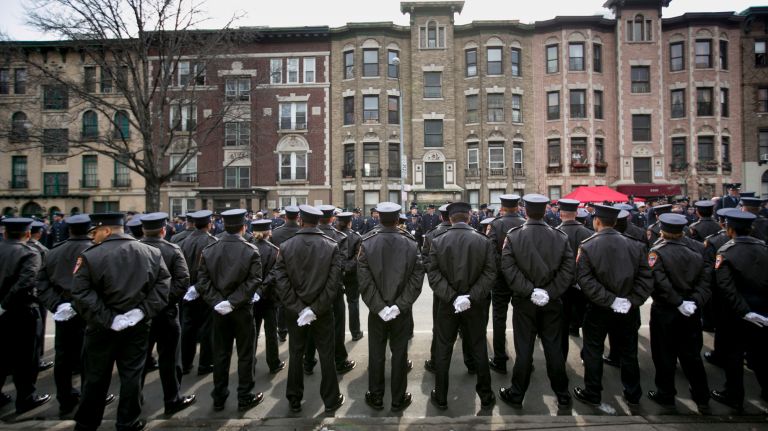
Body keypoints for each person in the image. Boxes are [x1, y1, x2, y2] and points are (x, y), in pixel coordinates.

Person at [71, 212, 170, 431]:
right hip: (135, 326)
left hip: (101, 327)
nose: (92, 237)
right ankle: (127, 422)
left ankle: (87, 423)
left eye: (95, 232)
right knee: (132, 375)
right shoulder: (151, 252)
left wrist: (109, 317)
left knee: (95, 377)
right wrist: (141, 312)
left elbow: (80, 293)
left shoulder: (90, 255)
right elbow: (163, 286)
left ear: (107, 230)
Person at [573, 205, 653, 407]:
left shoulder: (588, 246)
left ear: (597, 221)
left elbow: (584, 279)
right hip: (626, 308)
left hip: (599, 308)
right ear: (615, 222)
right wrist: (629, 300)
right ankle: (633, 393)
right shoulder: (635, 245)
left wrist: (611, 300)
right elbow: (646, 279)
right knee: (629, 352)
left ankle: (593, 392)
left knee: (593, 350)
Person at [498, 194, 574, 408]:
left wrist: (531, 291)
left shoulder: (514, 236)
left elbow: (508, 269)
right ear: (545, 211)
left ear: (525, 211)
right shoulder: (559, 236)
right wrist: (548, 292)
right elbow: (568, 270)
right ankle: (563, 394)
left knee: (524, 349)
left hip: (525, 302)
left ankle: (517, 394)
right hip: (550, 302)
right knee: (554, 348)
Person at [38, 215, 116, 416]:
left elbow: (42, 284)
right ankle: (91, 397)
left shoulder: (53, 252)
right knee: (91, 358)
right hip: (90, 310)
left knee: (63, 358)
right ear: (90, 230)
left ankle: (65, 399)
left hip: (64, 310)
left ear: (69, 230)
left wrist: (57, 305)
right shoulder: (97, 251)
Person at [273, 205, 345, 413]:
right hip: (321, 311)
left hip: (297, 311)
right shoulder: (330, 245)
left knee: (296, 353)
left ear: (301, 221)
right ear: (318, 222)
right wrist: (314, 309)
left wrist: (300, 308)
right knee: (326, 354)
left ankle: (294, 399)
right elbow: (333, 283)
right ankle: (330, 400)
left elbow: (281, 280)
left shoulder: (286, 246)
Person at [427, 202, 497, 411]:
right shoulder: (483, 240)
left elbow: (433, 274)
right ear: (469, 218)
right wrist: (469, 297)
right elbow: (490, 273)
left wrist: (453, 297)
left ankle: (441, 396)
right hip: (473, 304)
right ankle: (486, 396)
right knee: (478, 347)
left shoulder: (438, 240)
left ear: (450, 219)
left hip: (448, 305)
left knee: (443, 348)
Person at [357, 202, 424, 412]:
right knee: (399, 353)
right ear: (397, 220)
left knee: (377, 353)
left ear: (378, 218)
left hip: (378, 310)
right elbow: (416, 280)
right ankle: (398, 398)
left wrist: (380, 307)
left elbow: (364, 281)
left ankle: (376, 396)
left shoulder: (367, 243)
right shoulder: (410, 243)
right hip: (400, 310)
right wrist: (398, 306)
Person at [197, 209, 264, 412]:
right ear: (243, 227)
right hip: (241, 309)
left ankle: (219, 396)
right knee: (245, 354)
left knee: (221, 354)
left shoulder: (210, 249)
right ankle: (244, 396)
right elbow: (255, 280)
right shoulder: (250, 250)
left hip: (220, 310)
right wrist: (232, 302)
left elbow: (202, 281)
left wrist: (219, 302)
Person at [647, 213, 711, 409]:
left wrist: (678, 302)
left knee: (664, 354)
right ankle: (702, 396)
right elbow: (706, 280)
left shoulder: (657, 252)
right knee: (691, 355)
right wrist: (694, 301)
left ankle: (665, 394)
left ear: (662, 231)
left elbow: (660, 282)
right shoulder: (698, 249)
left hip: (665, 310)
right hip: (690, 310)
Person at [138, 213, 197, 415]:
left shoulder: (133, 249)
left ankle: (134, 398)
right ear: (163, 230)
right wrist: (165, 301)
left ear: (144, 230)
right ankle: (172, 399)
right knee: (170, 359)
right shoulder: (172, 249)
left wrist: (143, 306)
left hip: (140, 314)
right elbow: (183, 280)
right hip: (166, 313)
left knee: (138, 359)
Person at [710, 211, 768, 411]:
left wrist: (745, 311)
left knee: (733, 356)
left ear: (730, 230)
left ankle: (734, 395)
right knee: (761, 355)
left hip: (735, 314)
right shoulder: (764, 248)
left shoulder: (726, 251)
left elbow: (725, 287)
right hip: (762, 312)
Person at [0, 217, 51, 415]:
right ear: (28, 234)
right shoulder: (30, 253)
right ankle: (26, 398)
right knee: (26, 358)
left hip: (6, 311)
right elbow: (26, 282)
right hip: (22, 312)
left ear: (5, 233)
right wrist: (5, 304)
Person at [423, 204, 476, 373]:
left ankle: (436, 361)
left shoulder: (432, 234)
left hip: (442, 289)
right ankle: (471, 362)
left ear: (441, 216)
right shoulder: (473, 234)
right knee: (468, 329)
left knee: (440, 328)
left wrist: (440, 283)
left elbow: (427, 262)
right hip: (467, 288)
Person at [304, 205, 355, 376]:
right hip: (334, 288)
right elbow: (341, 266)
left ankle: (308, 361)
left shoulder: (308, 236)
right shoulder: (339, 236)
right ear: (333, 218)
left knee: (311, 324)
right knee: (337, 326)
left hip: (312, 288)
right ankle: (339, 361)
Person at [487, 194, 526, 374]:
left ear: (502, 208)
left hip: (502, 278)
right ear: (517, 207)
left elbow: (491, 251)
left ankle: (500, 359)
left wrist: (503, 269)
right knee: (523, 321)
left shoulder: (496, 224)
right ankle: (525, 360)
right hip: (521, 278)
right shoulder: (525, 223)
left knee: (499, 318)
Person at [179, 210, 217, 375]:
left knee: (188, 326)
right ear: (209, 224)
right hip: (207, 290)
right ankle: (205, 363)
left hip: (188, 290)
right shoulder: (212, 242)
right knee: (208, 328)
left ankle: (185, 363)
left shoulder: (183, 242)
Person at [249, 219, 284, 374]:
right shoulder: (275, 250)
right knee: (271, 332)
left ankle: (250, 363)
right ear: (268, 232)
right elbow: (275, 273)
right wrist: (262, 290)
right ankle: (273, 362)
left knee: (252, 332)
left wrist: (256, 291)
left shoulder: (248, 248)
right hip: (269, 296)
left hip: (251, 296)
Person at [556, 199, 592, 345]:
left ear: (560, 214)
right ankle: (588, 354)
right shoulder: (589, 233)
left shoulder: (555, 233)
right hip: (583, 283)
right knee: (588, 323)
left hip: (561, 284)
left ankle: (561, 356)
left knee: (562, 324)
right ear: (576, 213)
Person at [702, 209, 735, 364]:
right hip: (748, 291)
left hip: (721, 290)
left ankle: (720, 355)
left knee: (723, 325)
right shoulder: (759, 243)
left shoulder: (714, 241)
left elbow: (709, 269)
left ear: (723, 223)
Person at [271, 206, 300, 342]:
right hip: (299, 272)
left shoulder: (276, 233)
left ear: (286, 217)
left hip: (282, 271)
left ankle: (282, 331)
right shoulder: (301, 231)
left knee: (282, 303)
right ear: (298, 217)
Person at [29, 221, 53, 371]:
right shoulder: (41, 249)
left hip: (9, 300)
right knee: (36, 333)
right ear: (38, 234)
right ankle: (36, 360)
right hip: (35, 297)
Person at [336, 212, 364, 341]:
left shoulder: (334, 235)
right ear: (350, 222)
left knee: (337, 305)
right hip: (351, 274)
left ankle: (337, 334)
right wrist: (348, 267)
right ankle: (355, 332)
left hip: (337, 273)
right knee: (353, 303)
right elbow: (358, 257)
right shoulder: (355, 236)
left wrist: (342, 268)